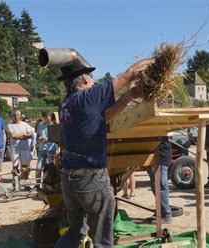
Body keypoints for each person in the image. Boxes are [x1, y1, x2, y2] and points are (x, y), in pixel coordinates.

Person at [55, 57, 153, 247]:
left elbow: (102, 118)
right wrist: (155, 60)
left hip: (69, 180)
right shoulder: (89, 96)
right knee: (102, 240)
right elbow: (130, 73)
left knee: (75, 233)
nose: (93, 81)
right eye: (90, 78)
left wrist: (128, 97)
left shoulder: (66, 103)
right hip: (91, 179)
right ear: (84, 78)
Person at [147, 141, 173, 223]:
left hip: (161, 156)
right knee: (155, 187)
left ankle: (166, 215)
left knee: (161, 187)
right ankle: (160, 213)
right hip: (153, 156)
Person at [7, 110, 34, 189]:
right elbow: (13, 136)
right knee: (15, 167)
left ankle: (25, 184)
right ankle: (15, 184)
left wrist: (19, 135)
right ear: (12, 116)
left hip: (24, 148)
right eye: (14, 115)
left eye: (18, 115)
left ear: (20, 116)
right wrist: (23, 134)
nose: (16, 117)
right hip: (15, 148)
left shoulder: (25, 124)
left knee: (25, 167)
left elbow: (30, 135)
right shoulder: (10, 125)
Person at [36, 112, 57, 185]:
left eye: (47, 117)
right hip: (41, 148)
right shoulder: (40, 125)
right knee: (38, 168)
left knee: (50, 168)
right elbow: (38, 135)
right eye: (44, 117)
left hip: (51, 149)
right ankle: (37, 184)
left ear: (50, 117)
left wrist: (45, 139)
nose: (45, 118)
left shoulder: (54, 125)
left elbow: (55, 138)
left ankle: (49, 183)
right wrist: (38, 139)